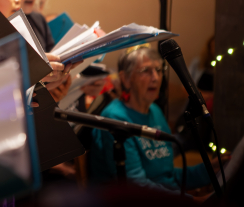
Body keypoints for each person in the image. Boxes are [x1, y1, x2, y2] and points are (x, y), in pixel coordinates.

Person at [89, 46, 218, 192]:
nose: (156, 78)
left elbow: (168, 176)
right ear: (125, 79)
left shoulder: (155, 111)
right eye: (146, 71)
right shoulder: (115, 117)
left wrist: (209, 171)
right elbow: (137, 188)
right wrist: (193, 201)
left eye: (158, 70)